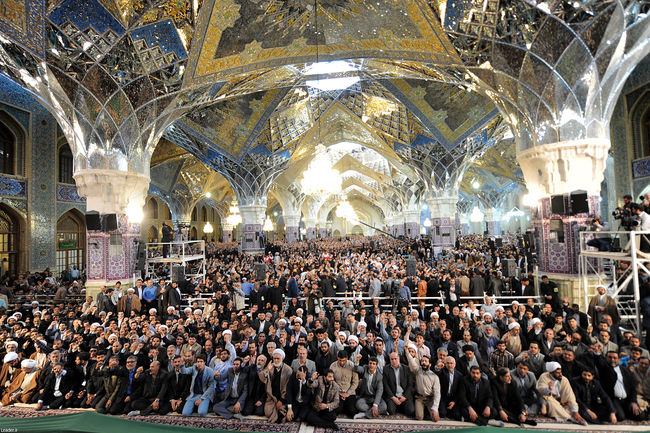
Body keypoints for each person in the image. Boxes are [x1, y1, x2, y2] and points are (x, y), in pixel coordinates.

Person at [259, 349, 293, 423]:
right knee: (267, 413)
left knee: (281, 409)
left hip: (283, 397)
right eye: (274, 358)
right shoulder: (270, 367)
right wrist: (267, 369)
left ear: (282, 359)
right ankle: (278, 414)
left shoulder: (288, 370)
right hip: (272, 396)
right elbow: (262, 378)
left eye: (278, 358)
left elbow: (287, 387)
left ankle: (280, 415)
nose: (276, 360)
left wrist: (281, 400)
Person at [383, 352, 415, 416]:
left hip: (404, 395)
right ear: (390, 360)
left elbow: (410, 384)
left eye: (395, 359)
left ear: (399, 359)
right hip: (393, 395)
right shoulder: (386, 369)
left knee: (410, 411)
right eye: (392, 359)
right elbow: (386, 385)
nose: (394, 361)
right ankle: (397, 406)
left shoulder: (406, 368)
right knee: (391, 411)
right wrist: (393, 397)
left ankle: (400, 406)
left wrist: (405, 397)